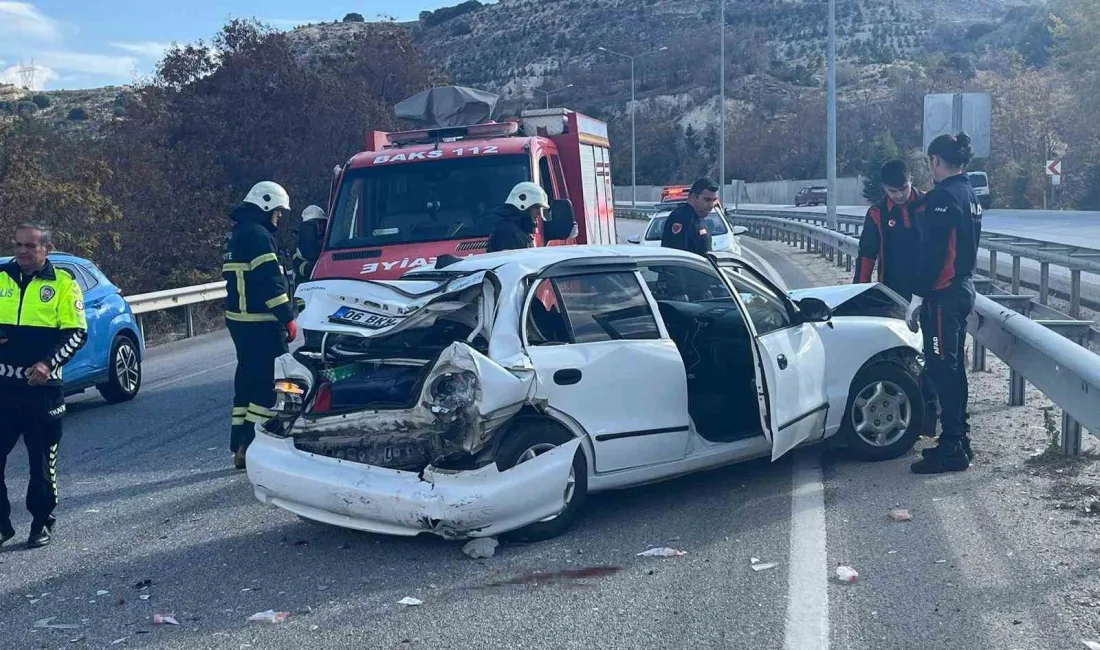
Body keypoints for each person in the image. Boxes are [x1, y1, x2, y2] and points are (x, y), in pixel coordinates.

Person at [0, 224, 87, 548]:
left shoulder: (63, 284)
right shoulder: (1, 278)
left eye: (30, 246)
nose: (22, 251)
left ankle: (42, 521)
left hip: (42, 389)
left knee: (42, 461)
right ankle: (2, 525)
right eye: (18, 244)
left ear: (46, 249)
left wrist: (48, 363)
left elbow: (76, 332)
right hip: (3, 387)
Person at [907, 133, 983, 475]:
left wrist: (919, 296)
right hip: (963, 288)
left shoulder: (942, 198)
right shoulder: (970, 193)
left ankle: (953, 445)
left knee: (942, 369)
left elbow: (935, 256)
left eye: (930, 163)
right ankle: (959, 439)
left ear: (936, 160)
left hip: (944, 293)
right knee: (954, 369)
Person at [223, 182, 298, 470]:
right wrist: (287, 316)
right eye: (278, 212)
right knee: (269, 386)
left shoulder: (236, 234)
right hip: (262, 323)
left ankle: (239, 443)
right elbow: (270, 281)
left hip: (241, 323)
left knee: (246, 383)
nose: (278, 218)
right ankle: (252, 444)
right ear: (266, 205)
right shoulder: (257, 235)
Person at [853, 160, 925, 300]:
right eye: (892, 191)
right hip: (891, 290)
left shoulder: (928, 204)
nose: (899, 195)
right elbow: (867, 255)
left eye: (903, 189)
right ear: (884, 187)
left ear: (911, 180)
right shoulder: (877, 213)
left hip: (928, 290)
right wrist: (858, 293)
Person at [661, 177, 718, 256]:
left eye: (714, 200)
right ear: (693, 197)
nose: (711, 205)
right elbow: (676, 258)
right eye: (707, 200)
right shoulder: (681, 218)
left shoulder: (698, 218)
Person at [486, 182, 549, 253]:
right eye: (536, 207)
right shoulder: (507, 232)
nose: (539, 213)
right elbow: (510, 262)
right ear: (523, 205)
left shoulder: (518, 231)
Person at [291, 205, 326, 290]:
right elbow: (305, 269)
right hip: (305, 296)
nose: (322, 227)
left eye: (323, 223)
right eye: (320, 223)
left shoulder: (326, 243)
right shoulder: (299, 254)